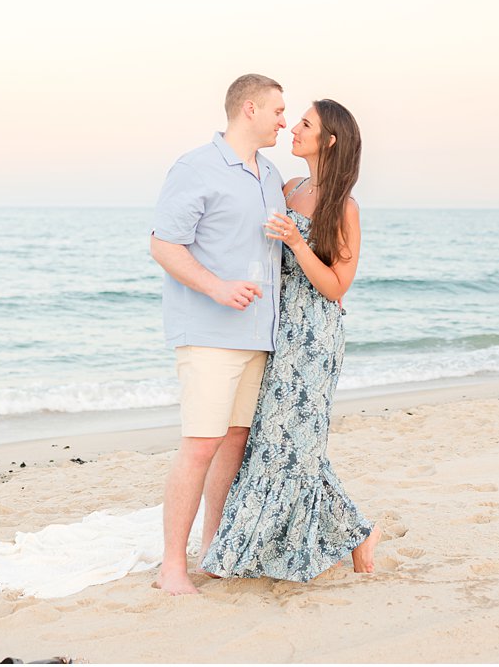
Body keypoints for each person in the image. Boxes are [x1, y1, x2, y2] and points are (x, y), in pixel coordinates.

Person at [199, 98, 381, 582]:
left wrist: (299, 244)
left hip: (315, 336)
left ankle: (354, 532)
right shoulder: (288, 186)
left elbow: (339, 286)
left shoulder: (344, 207)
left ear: (330, 140)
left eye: (305, 123)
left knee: (295, 443)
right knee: (275, 441)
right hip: (276, 329)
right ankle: (354, 533)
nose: (293, 128)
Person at [149, 73, 288, 595]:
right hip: (208, 333)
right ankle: (172, 568)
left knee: (233, 444)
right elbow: (164, 245)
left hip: (257, 336)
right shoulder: (195, 167)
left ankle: (214, 551)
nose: (283, 120)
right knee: (201, 446)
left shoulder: (270, 174)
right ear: (249, 109)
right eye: (277, 110)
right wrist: (216, 287)